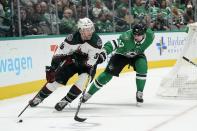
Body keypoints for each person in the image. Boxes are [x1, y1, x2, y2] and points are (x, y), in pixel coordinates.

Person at [29, 17, 104, 111]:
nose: (90, 32)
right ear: (80, 30)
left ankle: (66, 100)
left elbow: (91, 62)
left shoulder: (96, 42)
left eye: (91, 29)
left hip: (87, 66)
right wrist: (53, 68)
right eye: (87, 30)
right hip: (72, 61)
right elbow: (59, 54)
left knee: (83, 81)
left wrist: (78, 62)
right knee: (56, 79)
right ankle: (39, 97)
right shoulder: (71, 39)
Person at [82, 22, 155, 104]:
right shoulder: (126, 37)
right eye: (134, 34)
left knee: (142, 67)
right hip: (121, 55)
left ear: (144, 34)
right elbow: (113, 43)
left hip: (138, 55)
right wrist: (104, 51)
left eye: (138, 35)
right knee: (106, 75)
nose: (136, 37)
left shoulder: (150, 36)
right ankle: (88, 94)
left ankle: (139, 93)